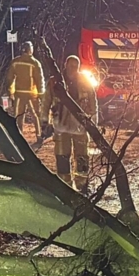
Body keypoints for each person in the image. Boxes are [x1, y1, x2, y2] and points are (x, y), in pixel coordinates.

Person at [47, 55, 98, 192]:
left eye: (76, 66)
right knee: (62, 155)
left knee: (82, 155)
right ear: (65, 65)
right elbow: (46, 101)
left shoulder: (85, 81)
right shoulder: (55, 82)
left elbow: (92, 101)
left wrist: (93, 122)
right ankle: (65, 184)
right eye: (71, 66)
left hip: (80, 125)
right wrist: (44, 121)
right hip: (61, 125)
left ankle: (82, 185)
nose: (73, 69)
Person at [5, 42, 46, 142]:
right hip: (32, 94)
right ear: (30, 50)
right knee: (36, 115)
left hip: (19, 94)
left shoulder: (15, 62)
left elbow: (10, 78)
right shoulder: (35, 63)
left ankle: (18, 136)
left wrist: (10, 92)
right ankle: (39, 136)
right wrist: (41, 95)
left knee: (18, 116)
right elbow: (40, 80)